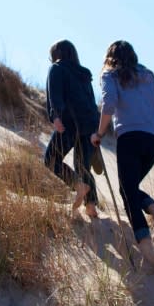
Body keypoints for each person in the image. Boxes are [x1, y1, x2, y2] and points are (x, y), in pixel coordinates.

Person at [91, 40, 154, 272]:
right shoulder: (148, 75)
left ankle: (146, 244)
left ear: (110, 57)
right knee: (130, 187)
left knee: (127, 190)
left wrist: (99, 133)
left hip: (130, 136)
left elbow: (108, 103)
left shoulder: (110, 75)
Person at [45, 40, 100, 217]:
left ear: (56, 54)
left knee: (51, 159)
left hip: (70, 122)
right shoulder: (84, 75)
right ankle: (91, 205)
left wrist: (56, 116)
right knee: (83, 166)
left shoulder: (57, 68)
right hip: (90, 125)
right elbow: (92, 103)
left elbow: (55, 94)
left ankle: (78, 185)